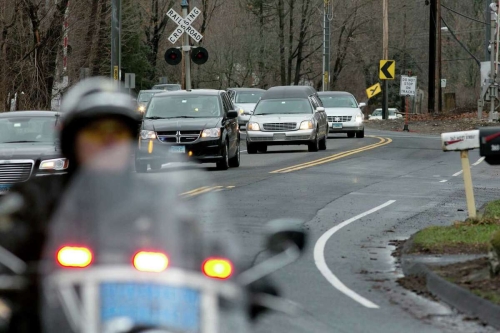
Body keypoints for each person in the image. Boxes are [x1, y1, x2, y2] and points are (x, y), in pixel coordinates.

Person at [0, 77, 141, 332]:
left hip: (134, 318)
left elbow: (198, 249)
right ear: (71, 138)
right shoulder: (35, 196)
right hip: (46, 319)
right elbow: (6, 241)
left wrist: (231, 275)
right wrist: (22, 276)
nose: (108, 143)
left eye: (117, 133)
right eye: (95, 132)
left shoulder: (148, 199)